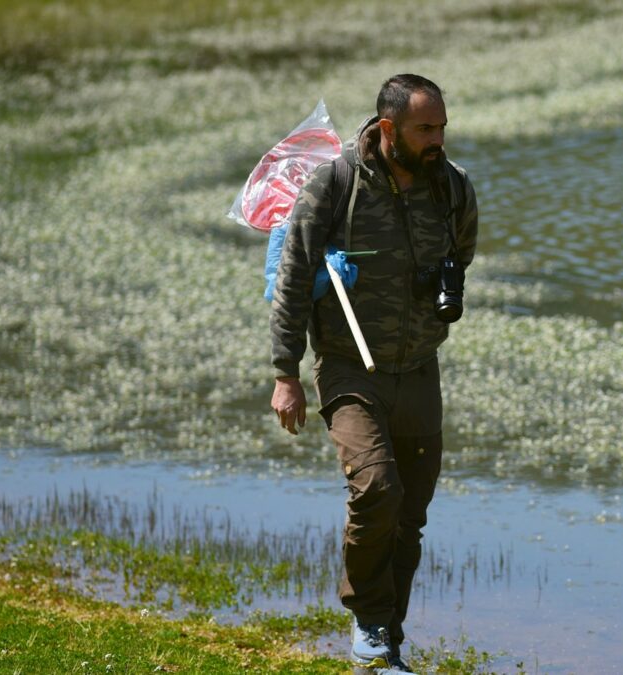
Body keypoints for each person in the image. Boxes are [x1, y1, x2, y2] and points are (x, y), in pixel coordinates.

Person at [269, 74, 478, 671]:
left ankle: (387, 638)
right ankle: (367, 619)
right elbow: (289, 283)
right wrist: (285, 373)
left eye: (441, 126)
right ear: (388, 129)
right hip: (347, 367)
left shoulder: (452, 188)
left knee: (409, 514)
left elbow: (461, 253)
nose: (438, 138)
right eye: (425, 128)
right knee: (377, 488)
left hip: (419, 368)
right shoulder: (334, 185)